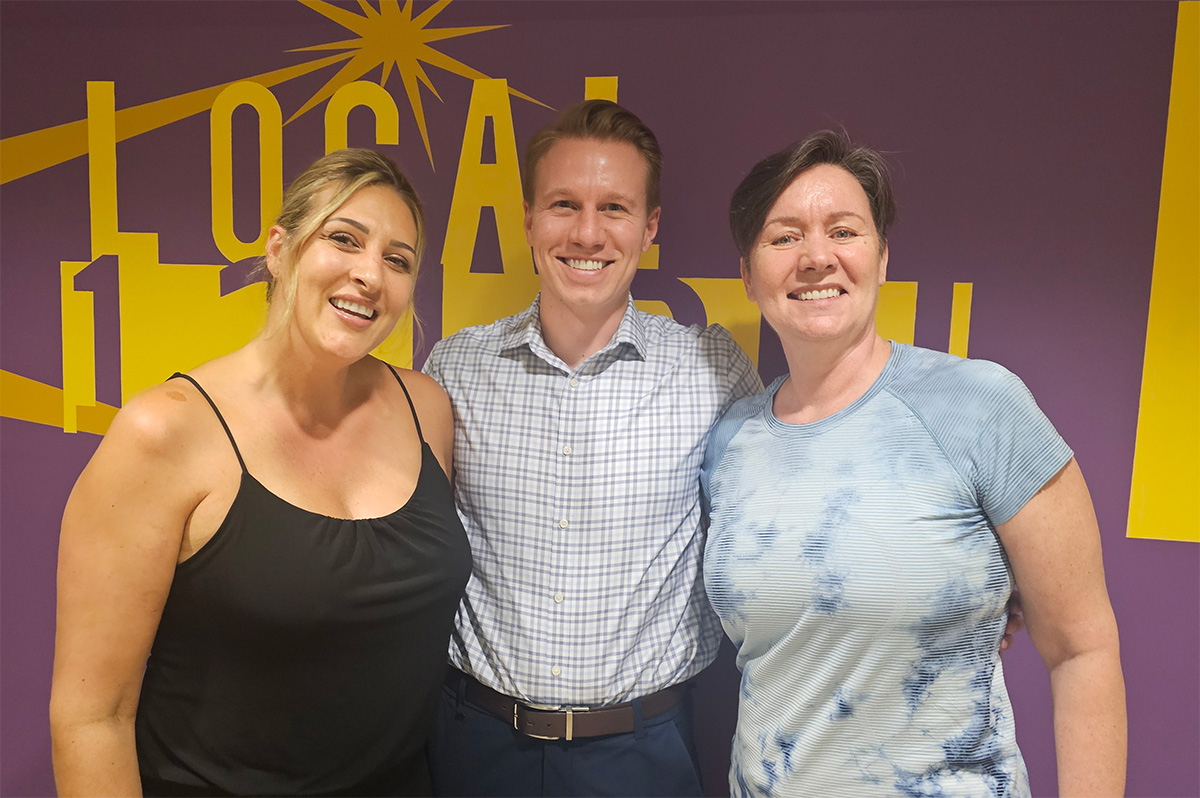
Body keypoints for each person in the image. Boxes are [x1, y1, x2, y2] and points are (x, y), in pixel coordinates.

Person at [702, 131, 1126, 797]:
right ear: (748, 274)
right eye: (784, 238)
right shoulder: (731, 443)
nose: (817, 257)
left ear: (881, 256)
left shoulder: (980, 408)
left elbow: (1082, 650)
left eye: (843, 231)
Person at [49, 149, 472, 797]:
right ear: (279, 249)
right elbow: (91, 719)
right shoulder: (164, 431)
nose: (369, 274)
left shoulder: (427, 410)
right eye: (344, 239)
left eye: (397, 259)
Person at [423, 100, 763, 796]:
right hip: (477, 746)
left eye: (614, 207)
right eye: (562, 204)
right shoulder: (454, 369)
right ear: (528, 218)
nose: (586, 232)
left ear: (650, 226)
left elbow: (790, 520)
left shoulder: (711, 369)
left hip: (644, 753)